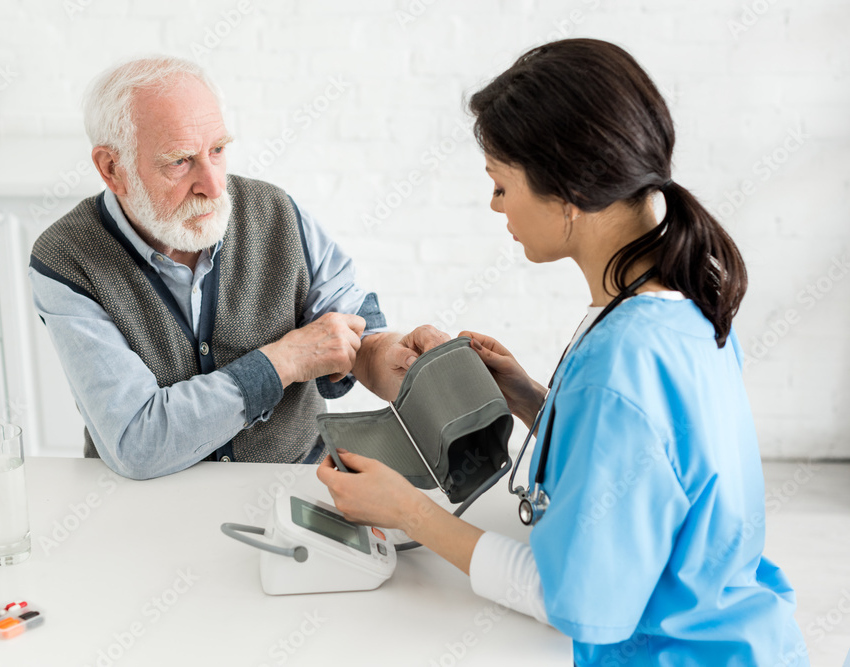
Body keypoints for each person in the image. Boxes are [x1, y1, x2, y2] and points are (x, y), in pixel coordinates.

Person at [318, 39, 808, 666]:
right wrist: (530, 398)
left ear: (569, 193)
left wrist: (406, 510)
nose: (495, 205)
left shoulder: (619, 366)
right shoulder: (684, 297)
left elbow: (571, 599)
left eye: (501, 185)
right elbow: (654, 463)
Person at [29, 56, 419, 479]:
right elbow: (136, 441)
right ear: (112, 168)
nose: (214, 186)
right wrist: (282, 362)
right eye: (179, 161)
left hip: (294, 485)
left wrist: (394, 358)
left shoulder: (276, 213)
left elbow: (356, 333)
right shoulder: (67, 258)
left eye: (217, 151)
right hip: (150, 505)